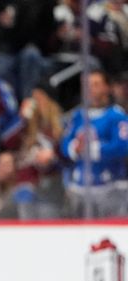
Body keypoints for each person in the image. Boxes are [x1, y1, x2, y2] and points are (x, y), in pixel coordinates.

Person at [59, 70, 128, 216]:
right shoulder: (77, 116)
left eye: (96, 84)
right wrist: (73, 148)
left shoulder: (116, 115)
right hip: (79, 189)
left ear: (107, 88)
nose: (90, 88)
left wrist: (93, 149)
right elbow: (64, 144)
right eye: (87, 85)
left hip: (111, 187)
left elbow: (123, 146)